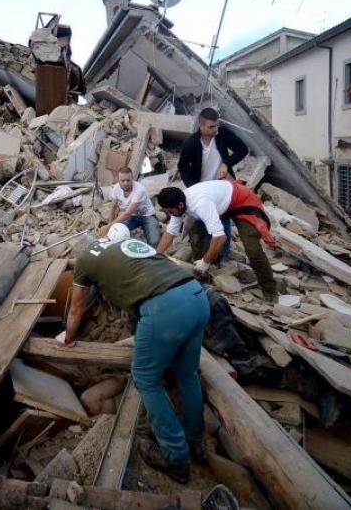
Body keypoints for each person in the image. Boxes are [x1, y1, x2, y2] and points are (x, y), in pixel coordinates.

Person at [66, 224, 209, 483]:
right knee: (187, 375)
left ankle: (176, 457)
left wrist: (68, 338)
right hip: (196, 296)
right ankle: (195, 441)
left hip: (165, 309)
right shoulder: (122, 247)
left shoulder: (85, 260)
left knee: (145, 378)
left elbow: (76, 307)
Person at [156, 180, 278, 301]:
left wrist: (205, 262)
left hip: (242, 201)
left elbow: (220, 238)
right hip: (221, 204)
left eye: (171, 211)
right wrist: (156, 255)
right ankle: (202, 279)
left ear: (180, 205)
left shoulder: (200, 204)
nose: (170, 214)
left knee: (252, 249)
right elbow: (170, 232)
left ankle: (270, 291)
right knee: (197, 237)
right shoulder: (178, 203)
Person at [177, 107, 249, 261]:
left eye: (217, 125)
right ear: (201, 126)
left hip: (221, 188)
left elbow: (243, 149)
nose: (215, 129)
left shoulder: (222, 134)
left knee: (223, 222)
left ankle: (221, 258)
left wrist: (226, 163)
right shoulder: (191, 143)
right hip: (201, 190)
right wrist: (193, 188)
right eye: (211, 126)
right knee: (199, 226)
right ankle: (201, 257)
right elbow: (182, 168)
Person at [99, 167, 160, 246]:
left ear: (132, 179)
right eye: (123, 180)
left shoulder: (139, 189)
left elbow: (127, 213)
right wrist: (110, 227)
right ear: (118, 180)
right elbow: (113, 206)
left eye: (128, 180)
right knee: (116, 234)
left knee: (153, 242)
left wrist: (108, 226)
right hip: (133, 216)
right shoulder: (116, 188)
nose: (125, 183)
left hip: (147, 215)